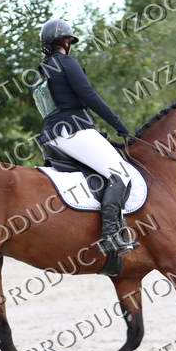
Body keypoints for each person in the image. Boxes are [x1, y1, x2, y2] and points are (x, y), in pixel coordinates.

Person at [32, 18, 136, 274]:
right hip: (73, 130)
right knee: (121, 173)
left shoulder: (43, 69)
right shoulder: (67, 63)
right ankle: (111, 235)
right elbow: (89, 96)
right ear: (67, 42)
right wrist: (118, 124)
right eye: (69, 40)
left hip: (52, 136)